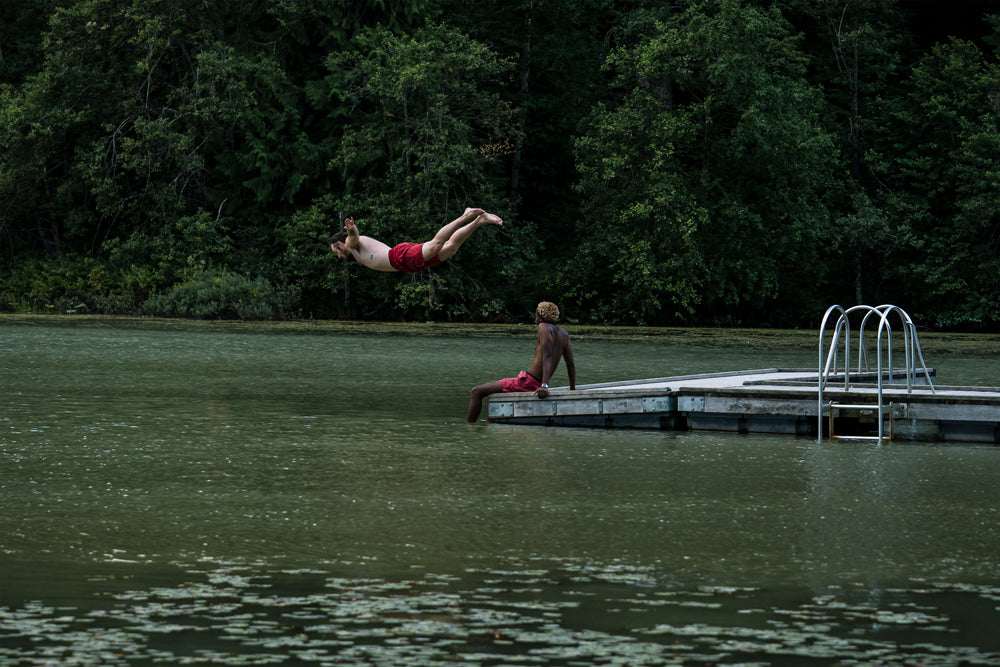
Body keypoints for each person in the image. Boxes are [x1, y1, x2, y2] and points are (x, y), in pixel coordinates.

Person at [467, 301, 576, 423]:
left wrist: (544, 386)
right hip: (535, 382)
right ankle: (489, 424)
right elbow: (570, 364)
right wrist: (572, 390)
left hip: (528, 382)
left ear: (539, 315)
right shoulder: (564, 334)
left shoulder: (543, 327)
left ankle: (470, 431)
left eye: (536, 313)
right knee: (493, 395)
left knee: (476, 392)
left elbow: (548, 355)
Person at [328, 207, 503, 274]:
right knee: (450, 249)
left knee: (436, 244)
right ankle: (479, 221)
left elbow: (353, 237)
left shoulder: (352, 245)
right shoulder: (355, 252)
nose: (338, 256)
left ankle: (465, 215)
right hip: (405, 266)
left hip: (399, 256)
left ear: (340, 244)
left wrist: (352, 230)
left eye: (336, 252)